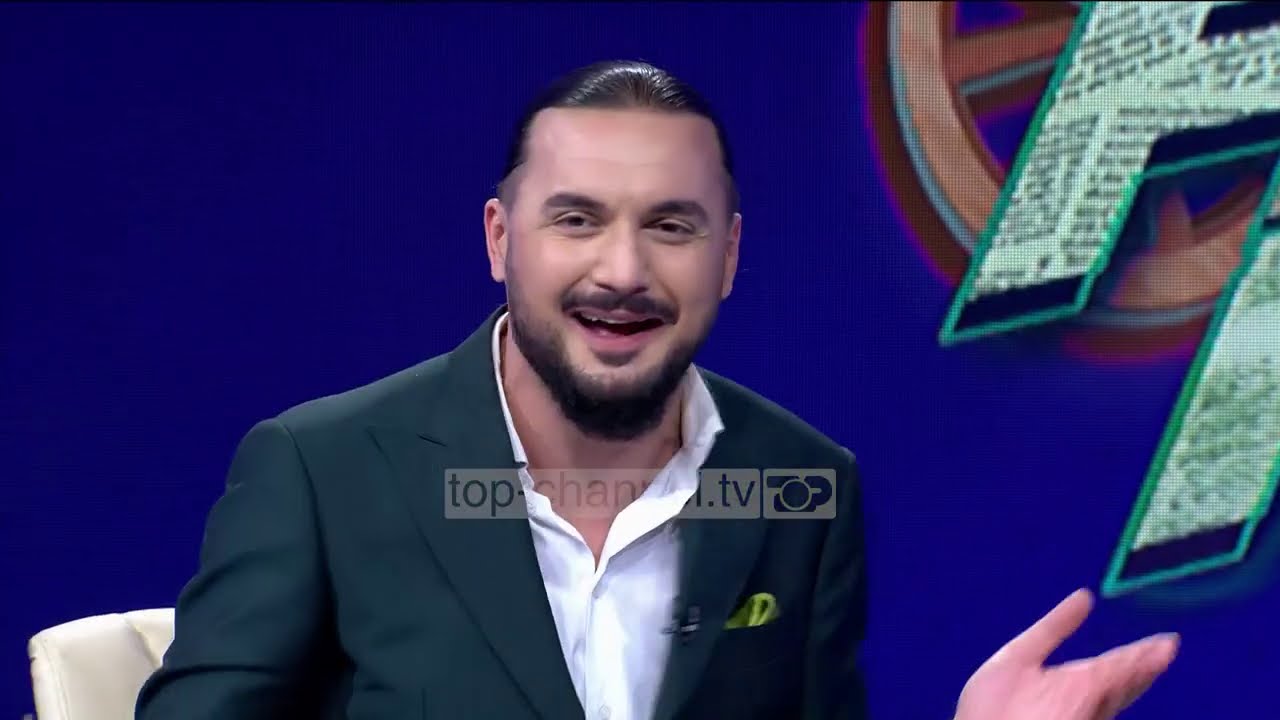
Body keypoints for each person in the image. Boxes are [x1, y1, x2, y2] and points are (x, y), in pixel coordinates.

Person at [134, 60, 1179, 720]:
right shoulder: (324, 470)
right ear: (499, 240)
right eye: (576, 220)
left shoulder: (800, 487)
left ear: (728, 257)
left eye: (671, 226)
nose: (623, 271)